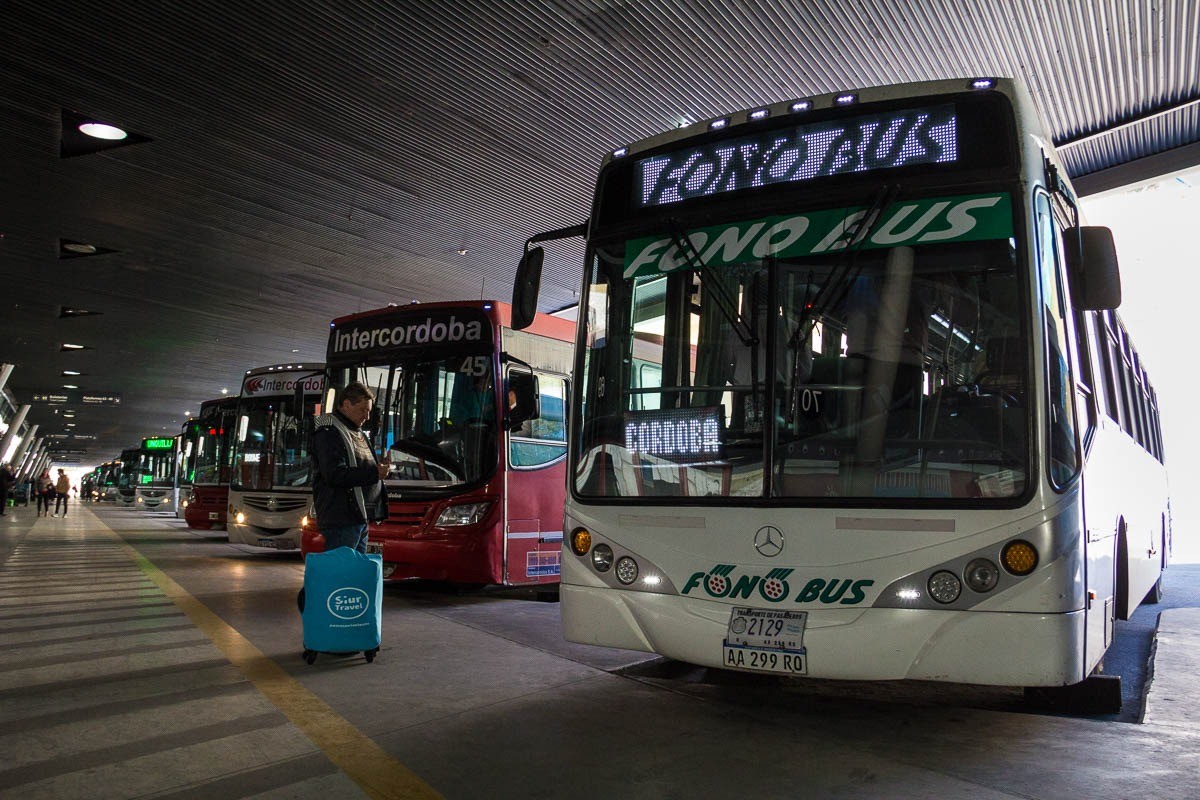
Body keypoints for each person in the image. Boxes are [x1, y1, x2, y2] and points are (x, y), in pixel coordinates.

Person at [310, 381, 391, 552]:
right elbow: (334, 474)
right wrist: (375, 473)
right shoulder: (329, 431)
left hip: (358, 518)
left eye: (369, 411)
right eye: (363, 410)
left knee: (352, 574)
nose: (367, 417)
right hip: (342, 519)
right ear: (346, 404)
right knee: (342, 573)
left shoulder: (354, 430)